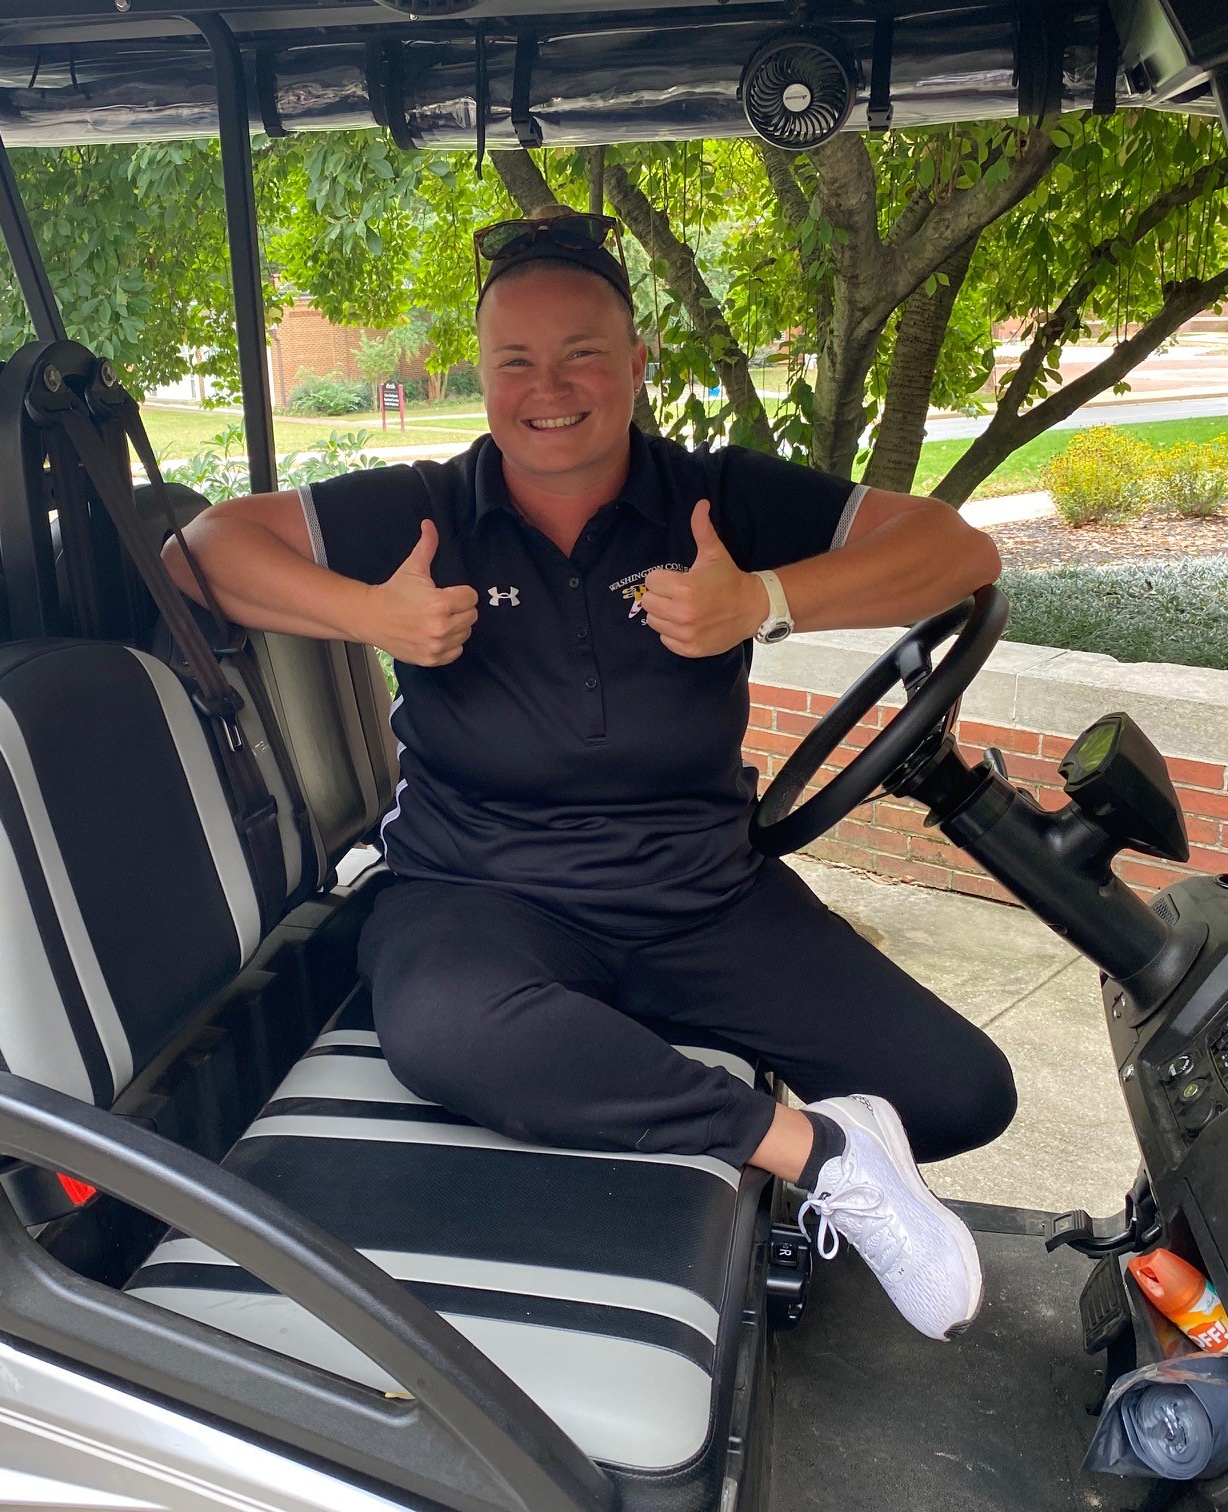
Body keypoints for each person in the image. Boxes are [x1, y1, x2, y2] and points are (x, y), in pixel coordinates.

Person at [165, 208, 1016, 1339]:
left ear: (634, 365)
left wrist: (761, 601)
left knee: (963, 1093)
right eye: (515, 358)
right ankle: (818, 1155)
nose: (547, 385)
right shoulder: (424, 507)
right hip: (476, 896)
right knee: (447, 1036)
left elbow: (959, 550)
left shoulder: (714, 500)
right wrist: (373, 614)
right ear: (481, 372)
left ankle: (679, 1115)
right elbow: (200, 549)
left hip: (700, 896)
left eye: (581, 353)